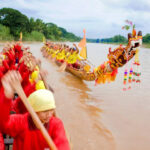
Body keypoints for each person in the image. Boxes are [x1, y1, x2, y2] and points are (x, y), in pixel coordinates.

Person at [0, 71, 70, 150]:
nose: (49, 115)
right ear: (35, 110)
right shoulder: (20, 121)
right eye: (44, 111)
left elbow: (62, 143)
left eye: (51, 110)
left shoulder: (56, 124)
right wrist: (6, 96)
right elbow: (3, 125)